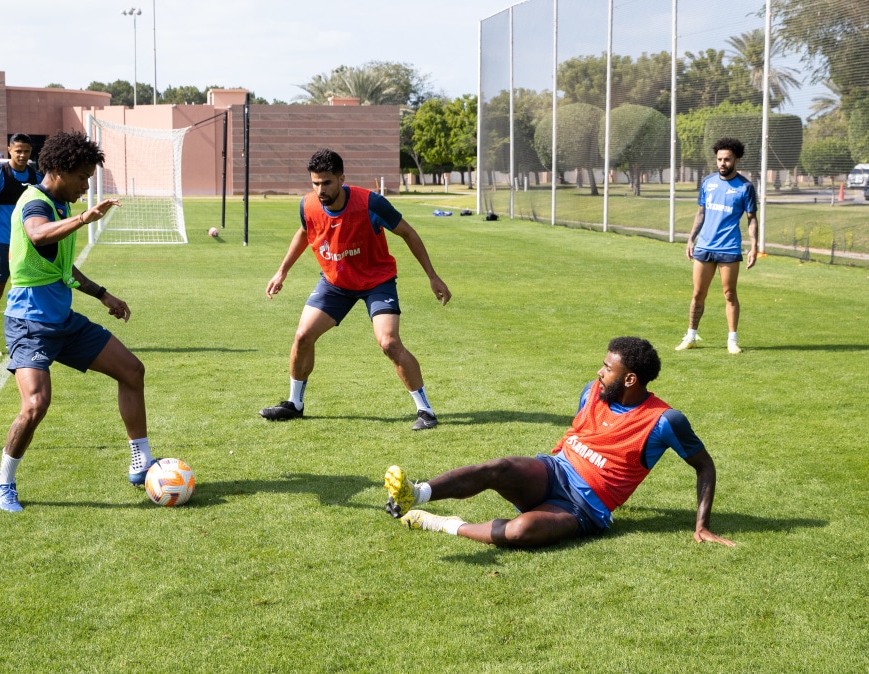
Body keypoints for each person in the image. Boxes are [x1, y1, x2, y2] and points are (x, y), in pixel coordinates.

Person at [383, 337, 735, 549]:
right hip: (555, 471)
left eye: (607, 368)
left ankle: (442, 523)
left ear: (630, 378)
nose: (600, 372)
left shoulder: (665, 420)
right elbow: (583, 433)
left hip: (584, 507)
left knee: (522, 531)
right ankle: (417, 493)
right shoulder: (592, 391)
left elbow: (704, 465)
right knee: (500, 467)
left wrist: (701, 524)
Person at [0, 131, 155, 513]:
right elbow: (36, 232)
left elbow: (63, 267)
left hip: (63, 320)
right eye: (82, 177)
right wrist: (85, 218)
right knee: (35, 405)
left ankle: (140, 462)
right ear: (59, 170)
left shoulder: (60, 205)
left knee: (132, 370)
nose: (86, 185)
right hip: (30, 323)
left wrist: (102, 294)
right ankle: (2, 484)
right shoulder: (35, 201)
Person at [260, 148, 452, 431]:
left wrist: (433, 277)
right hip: (335, 283)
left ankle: (425, 411)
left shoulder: (370, 203)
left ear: (341, 178)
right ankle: (295, 404)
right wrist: (282, 271)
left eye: (326, 182)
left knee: (389, 342)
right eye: (315, 183)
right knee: (302, 336)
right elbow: (305, 231)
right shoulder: (308, 205)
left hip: (377, 281)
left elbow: (408, 233)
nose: (320, 189)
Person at [676, 137, 759, 355]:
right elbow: (701, 212)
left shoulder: (745, 187)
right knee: (697, 294)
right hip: (704, 246)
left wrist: (754, 246)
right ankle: (691, 336)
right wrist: (691, 238)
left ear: (737, 160)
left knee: (729, 293)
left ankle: (732, 340)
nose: (722, 163)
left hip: (729, 248)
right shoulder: (708, 182)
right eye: (720, 159)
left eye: (727, 159)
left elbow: (751, 218)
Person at [0, 133, 42, 357]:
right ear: (9, 150)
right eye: (18, 151)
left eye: (26, 151)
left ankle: (24, 337)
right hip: (2, 244)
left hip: (27, 244)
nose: (22, 155)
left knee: (29, 290)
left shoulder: (35, 176)